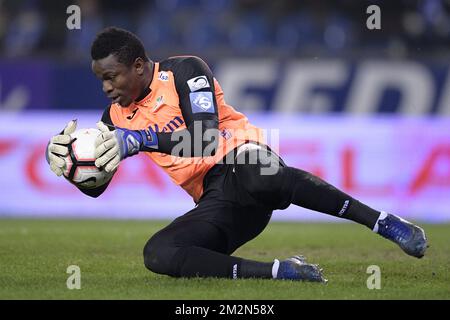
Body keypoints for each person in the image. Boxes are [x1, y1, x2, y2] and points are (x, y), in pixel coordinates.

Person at [46, 27, 428, 283]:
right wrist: (69, 167)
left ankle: (383, 222)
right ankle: (281, 272)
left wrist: (139, 139)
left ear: (139, 66)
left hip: (244, 161)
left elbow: (207, 138)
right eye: (101, 79)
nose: (107, 87)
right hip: (217, 200)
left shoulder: (184, 71)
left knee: (259, 173)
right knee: (159, 254)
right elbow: (97, 187)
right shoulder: (112, 118)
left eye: (112, 76)